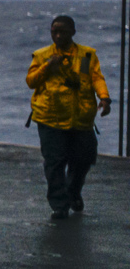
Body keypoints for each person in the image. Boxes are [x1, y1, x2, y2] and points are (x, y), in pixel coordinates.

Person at [26, 14, 110, 221]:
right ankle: (59, 205)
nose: (58, 34)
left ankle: (73, 192)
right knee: (54, 162)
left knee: (84, 158)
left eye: (62, 31)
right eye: (54, 31)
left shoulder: (87, 55)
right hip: (50, 118)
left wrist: (105, 98)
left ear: (73, 32)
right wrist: (48, 67)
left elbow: (96, 78)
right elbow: (31, 81)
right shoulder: (42, 55)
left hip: (81, 118)